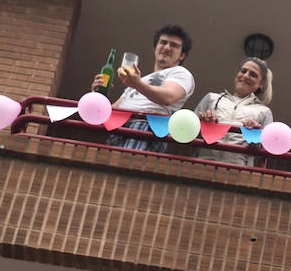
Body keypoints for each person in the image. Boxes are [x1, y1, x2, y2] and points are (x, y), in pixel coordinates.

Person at [93, 24, 195, 152]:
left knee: (126, 165)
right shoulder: (138, 81)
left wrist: (137, 84)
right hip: (119, 127)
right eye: (163, 42)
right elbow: (110, 111)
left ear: (182, 55)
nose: (167, 47)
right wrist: (96, 96)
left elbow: (168, 97)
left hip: (145, 125)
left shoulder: (180, 72)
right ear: (156, 47)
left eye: (174, 45)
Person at [194, 58, 274, 166]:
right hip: (202, 163)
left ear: (261, 84)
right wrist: (202, 124)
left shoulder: (264, 111)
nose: (246, 76)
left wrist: (254, 135)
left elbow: (264, 150)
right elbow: (188, 133)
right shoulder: (211, 98)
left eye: (253, 74)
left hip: (239, 170)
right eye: (243, 71)